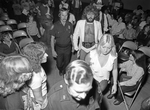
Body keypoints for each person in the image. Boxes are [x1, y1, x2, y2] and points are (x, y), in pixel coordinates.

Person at [21, 42, 49, 110]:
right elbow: (38, 99)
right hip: (40, 95)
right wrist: (45, 106)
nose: (47, 55)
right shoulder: (36, 78)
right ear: (36, 58)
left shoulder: (31, 65)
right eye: (43, 55)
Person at [51, 7, 74, 76]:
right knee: (59, 64)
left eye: (66, 15)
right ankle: (60, 68)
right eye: (62, 15)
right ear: (59, 15)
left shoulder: (70, 25)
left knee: (67, 62)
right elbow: (52, 38)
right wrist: (52, 50)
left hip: (68, 47)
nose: (64, 17)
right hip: (59, 48)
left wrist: (73, 46)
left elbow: (71, 36)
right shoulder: (55, 25)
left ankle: (64, 71)